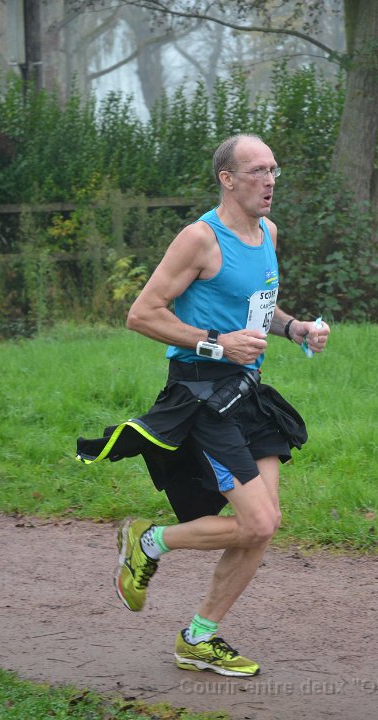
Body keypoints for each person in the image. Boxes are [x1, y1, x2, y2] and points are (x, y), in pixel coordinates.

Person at [79, 134, 330, 677]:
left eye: (274, 170)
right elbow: (142, 314)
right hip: (201, 395)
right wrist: (217, 343)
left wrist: (295, 328)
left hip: (249, 393)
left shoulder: (267, 233)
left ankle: (198, 638)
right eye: (257, 170)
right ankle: (149, 542)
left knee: (263, 526)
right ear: (227, 179)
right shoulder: (199, 239)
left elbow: (256, 307)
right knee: (257, 522)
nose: (270, 180)